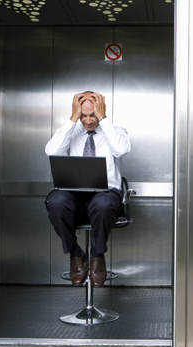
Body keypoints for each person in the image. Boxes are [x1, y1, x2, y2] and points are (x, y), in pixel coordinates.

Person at [45, 91, 131, 287]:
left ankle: (97, 255)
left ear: (101, 111)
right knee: (56, 202)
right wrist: (72, 119)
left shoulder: (115, 130)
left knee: (103, 203)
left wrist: (104, 119)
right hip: (74, 197)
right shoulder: (71, 131)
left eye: (93, 114)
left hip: (106, 196)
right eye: (83, 115)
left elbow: (121, 149)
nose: (89, 120)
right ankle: (75, 253)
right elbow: (51, 152)